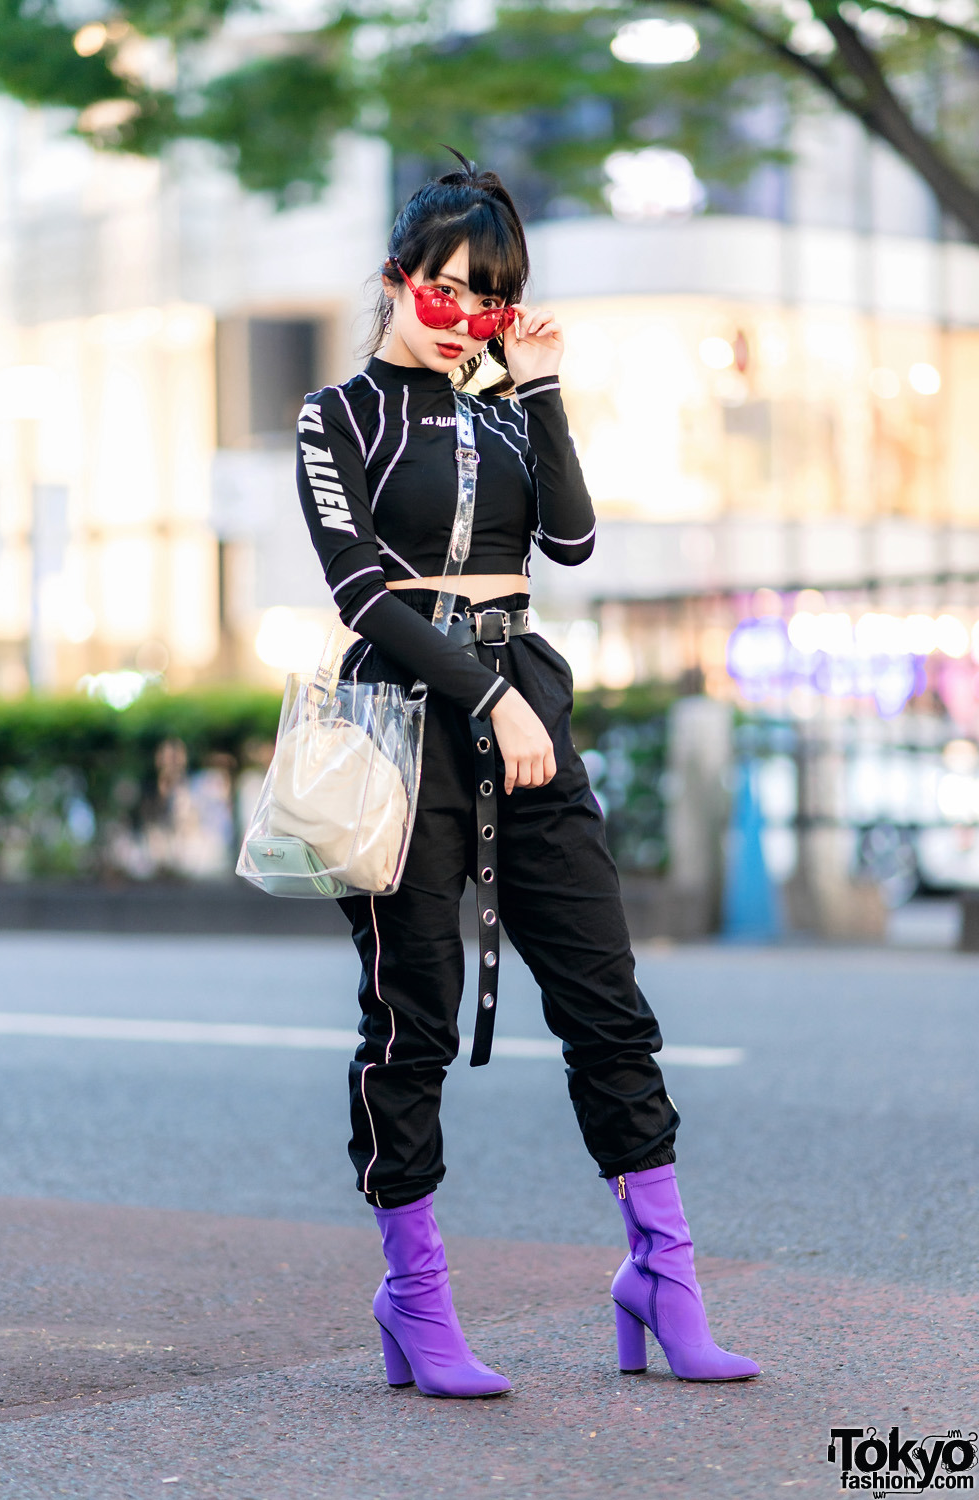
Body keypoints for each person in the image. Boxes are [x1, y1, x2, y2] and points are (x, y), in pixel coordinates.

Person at [296, 148, 759, 1398]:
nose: (462, 320)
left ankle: (663, 1278)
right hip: (403, 721)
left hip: (528, 709)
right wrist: (483, 695)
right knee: (410, 1016)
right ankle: (415, 1299)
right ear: (396, 281)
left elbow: (570, 535)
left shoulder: (505, 408)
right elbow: (358, 593)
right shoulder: (334, 415)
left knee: (605, 998)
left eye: (487, 303)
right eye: (443, 292)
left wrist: (540, 387)